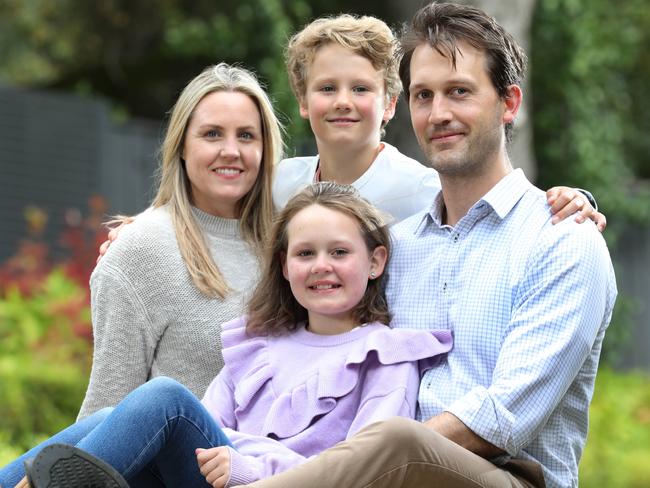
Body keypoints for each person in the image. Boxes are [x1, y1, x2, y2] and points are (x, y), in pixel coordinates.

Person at [232, 3, 617, 488]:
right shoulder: (396, 247)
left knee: (398, 440)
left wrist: (361, 458)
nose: (439, 114)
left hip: (509, 476)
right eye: (423, 96)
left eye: (459, 92)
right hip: (377, 470)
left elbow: (505, 418)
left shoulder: (562, 241)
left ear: (509, 102)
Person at [0, 182, 453, 488]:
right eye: (305, 253)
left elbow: (365, 470)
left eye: (339, 252)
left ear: (374, 262)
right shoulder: (261, 346)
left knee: (165, 400)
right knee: (111, 418)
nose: (321, 266)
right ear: (283, 266)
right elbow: (211, 424)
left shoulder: (385, 356)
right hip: (217, 477)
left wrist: (252, 463)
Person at [76, 63, 282, 419]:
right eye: (212, 134)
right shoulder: (141, 249)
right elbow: (106, 410)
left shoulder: (293, 247)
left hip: (282, 468)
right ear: (182, 146)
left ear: (265, 150)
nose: (231, 150)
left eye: (246, 135)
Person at [273, 13, 605, 227]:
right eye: (327, 88)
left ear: (390, 104)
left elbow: (493, 213)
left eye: (360, 88)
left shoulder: (425, 192)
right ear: (303, 101)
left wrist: (573, 200)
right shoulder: (278, 184)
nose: (343, 102)